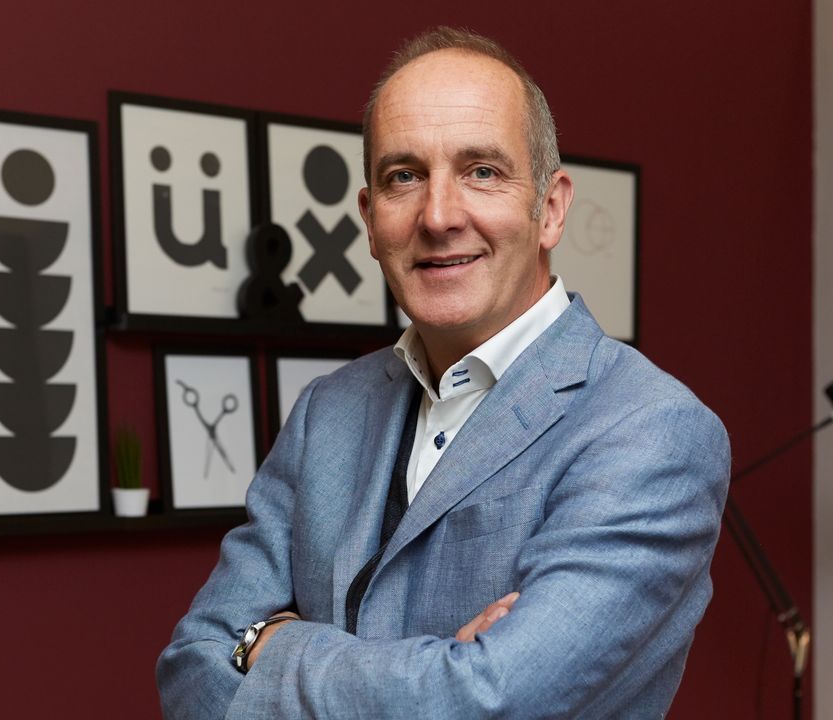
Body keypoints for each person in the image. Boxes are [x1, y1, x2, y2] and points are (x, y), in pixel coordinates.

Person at [157, 26, 729, 719]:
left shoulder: (651, 431)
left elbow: (493, 701)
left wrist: (270, 644)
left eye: (482, 171)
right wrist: (442, 674)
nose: (438, 215)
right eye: (404, 177)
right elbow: (191, 670)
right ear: (370, 221)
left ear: (549, 208)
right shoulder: (326, 413)